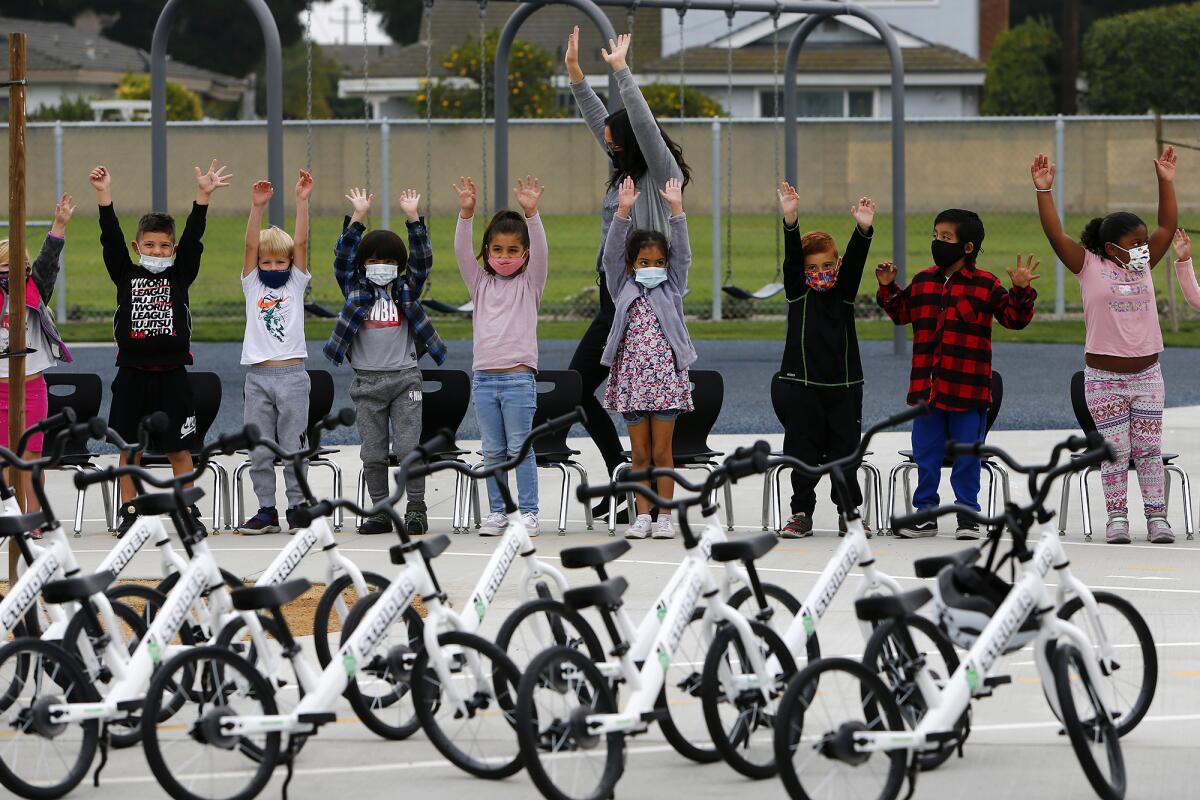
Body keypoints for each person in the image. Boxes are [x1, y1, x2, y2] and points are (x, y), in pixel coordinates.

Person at [565, 28, 690, 524]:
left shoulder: (659, 176)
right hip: (612, 296)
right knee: (577, 387)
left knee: (596, 387)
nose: (610, 148)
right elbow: (604, 122)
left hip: (647, 296)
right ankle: (621, 464)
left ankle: (641, 486)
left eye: (618, 145)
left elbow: (638, 122)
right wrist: (576, 74)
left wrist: (621, 70)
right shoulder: (621, 173)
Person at [1031, 147, 1178, 544]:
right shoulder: (1088, 266)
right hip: (1103, 379)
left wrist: (1166, 182)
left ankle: (1157, 517)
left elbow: (1168, 225)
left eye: (1145, 241)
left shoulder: (1145, 264)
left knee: (1148, 449)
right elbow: (1054, 234)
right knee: (1115, 450)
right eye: (1135, 241)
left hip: (1148, 374)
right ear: (1112, 246)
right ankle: (1116, 518)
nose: (1145, 247)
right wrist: (1044, 192)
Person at [877, 210, 1039, 540]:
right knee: (926, 454)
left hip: (969, 392)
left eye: (946, 238)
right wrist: (888, 288)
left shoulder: (985, 284)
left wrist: (1020, 291)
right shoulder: (923, 281)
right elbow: (901, 312)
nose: (938, 242)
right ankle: (926, 513)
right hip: (928, 391)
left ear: (967, 247)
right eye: (935, 236)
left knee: (968, 455)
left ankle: (967, 514)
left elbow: (1013, 318)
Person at [91, 160, 230, 538]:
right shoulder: (125, 271)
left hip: (172, 376)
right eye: (149, 245)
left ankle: (187, 509)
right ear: (138, 247)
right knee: (129, 449)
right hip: (132, 375)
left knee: (179, 450)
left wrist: (203, 197)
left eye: (164, 245)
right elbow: (110, 239)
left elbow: (195, 238)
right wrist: (104, 196)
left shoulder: (179, 273)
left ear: (173, 249)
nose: (157, 250)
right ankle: (130, 511)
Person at [323, 187, 446, 535]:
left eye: (390, 262)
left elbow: (422, 260)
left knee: (408, 448)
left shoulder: (406, 289)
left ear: (399, 267)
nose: (382, 267)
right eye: (375, 261)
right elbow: (342, 259)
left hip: (405, 379)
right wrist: (358, 218)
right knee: (372, 454)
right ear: (364, 265)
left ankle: (416, 509)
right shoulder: (355, 289)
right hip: (367, 384)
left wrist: (413, 220)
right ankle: (379, 511)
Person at [775, 183, 875, 538]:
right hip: (802, 387)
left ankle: (849, 512)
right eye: (813, 267)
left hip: (845, 388)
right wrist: (791, 218)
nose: (821, 272)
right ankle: (801, 512)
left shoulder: (844, 292)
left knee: (845, 455)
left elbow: (857, 261)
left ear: (838, 265)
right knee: (801, 453)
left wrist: (862, 229)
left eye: (828, 265)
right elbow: (791, 258)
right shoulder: (798, 292)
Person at [453, 175, 547, 537]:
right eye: (496, 250)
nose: (503, 257)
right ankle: (497, 511)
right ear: (487, 252)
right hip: (485, 380)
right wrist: (466, 214)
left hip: (519, 380)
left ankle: (528, 512)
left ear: (525, 255)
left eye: (512, 251)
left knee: (519, 447)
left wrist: (532, 213)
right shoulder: (479, 284)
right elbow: (462, 252)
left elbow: (542, 250)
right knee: (492, 451)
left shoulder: (530, 283)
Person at [602, 177, 695, 539]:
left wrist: (677, 210)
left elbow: (683, 254)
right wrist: (622, 212)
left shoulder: (672, 288)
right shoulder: (622, 287)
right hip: (633, 385)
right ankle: (643, 515)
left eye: (658, 261)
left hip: (667, 385)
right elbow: (610, 255)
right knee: (639, 453)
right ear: (632, 264)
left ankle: (665, 517)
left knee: (662, 451)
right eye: (645, 261)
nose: (652, 266)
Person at [238, 170, 314, 534]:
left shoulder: (296, 283)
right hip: (258, 377)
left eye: (279, 263)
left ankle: (297, 506)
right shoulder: (252, 284)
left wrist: (301, 202)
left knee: (293, 448)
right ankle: (266, 509)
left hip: (292, 377)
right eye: (266, 263)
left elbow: (300, 243)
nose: (272, 268)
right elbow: (251, 248)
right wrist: (257, 208)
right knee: (260, 450)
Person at [0, 193, 76, 537]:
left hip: (31, 386)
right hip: (0, 389)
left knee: (32, 456)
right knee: (4, 459)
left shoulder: (35, 289)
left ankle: (35, 517)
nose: (10, 274)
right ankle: (10, 514)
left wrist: (59, 225)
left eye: (16, 268)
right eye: (3, 269)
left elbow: (48, 261)